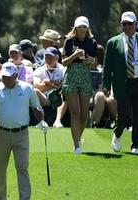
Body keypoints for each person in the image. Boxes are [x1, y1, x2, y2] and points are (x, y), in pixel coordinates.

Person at [0, 62, 47, 200]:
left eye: (9, 77)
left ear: (16, 75)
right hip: (2, 133)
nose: (6, 80)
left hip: (21, 134)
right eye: (4, 77)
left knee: (22, 167)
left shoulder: (27, 88)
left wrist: (40, 117)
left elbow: (37, 108)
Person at [103, 11, 138, 155]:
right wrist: (106, 85)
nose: (127, 27)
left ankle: (136, 144)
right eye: (124, 24)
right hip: (123, 83)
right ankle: (118, 133)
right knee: (124, 115)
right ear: (121, 25)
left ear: (136, 24)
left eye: (130, 24)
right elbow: (107, 67)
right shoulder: (113, 43)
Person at [61, 16, 98, 154]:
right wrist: (74, 56)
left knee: (84, 115)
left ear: (87, 28)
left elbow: (95, 63)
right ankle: (77, 145)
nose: (82, 29)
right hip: (71, 76)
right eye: (79, 27)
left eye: (84, 27)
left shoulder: (92, 42)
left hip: (85, 77)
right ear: (75, 28)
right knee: (75, 113)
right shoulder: (69, 41)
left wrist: (90, 60)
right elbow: (64, 62)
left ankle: (78, 138)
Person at [33, 47, 64, 124]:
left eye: (50, 56)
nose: (48, 59)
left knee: (65, 93)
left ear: (57, 58)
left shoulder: (62, 69)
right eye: (46, 56)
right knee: (34, 92)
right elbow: (36, 86)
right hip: (45, 98)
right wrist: (52, 84)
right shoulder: (39, 70)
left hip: (58, 98)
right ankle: (41, 121)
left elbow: (62, 85)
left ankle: (58, 121)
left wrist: (47, 82)